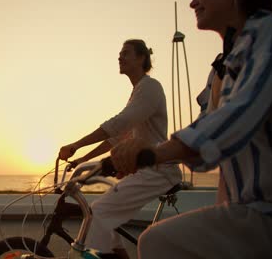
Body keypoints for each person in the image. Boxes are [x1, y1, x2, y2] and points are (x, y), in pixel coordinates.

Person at [109, 0, 272, 258]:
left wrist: (154, 154)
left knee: (156, 242)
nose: (193, 2)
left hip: (269, 212)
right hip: (243, 208)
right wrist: (121, 159)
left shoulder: (270, 34)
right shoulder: (226, 61)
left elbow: (237, 116)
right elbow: (206, 124)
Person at [58, 39, 181, 258]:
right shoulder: (138, 92)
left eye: (125, 53)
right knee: (102, 213)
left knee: (98, 213)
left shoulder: (150, 87)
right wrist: (82, 159)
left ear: (142, 58)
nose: (119, 57)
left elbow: (119, 123)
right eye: (119, 53)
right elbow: (117, 138)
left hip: (158, 171)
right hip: (145, 170)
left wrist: (76, 144)